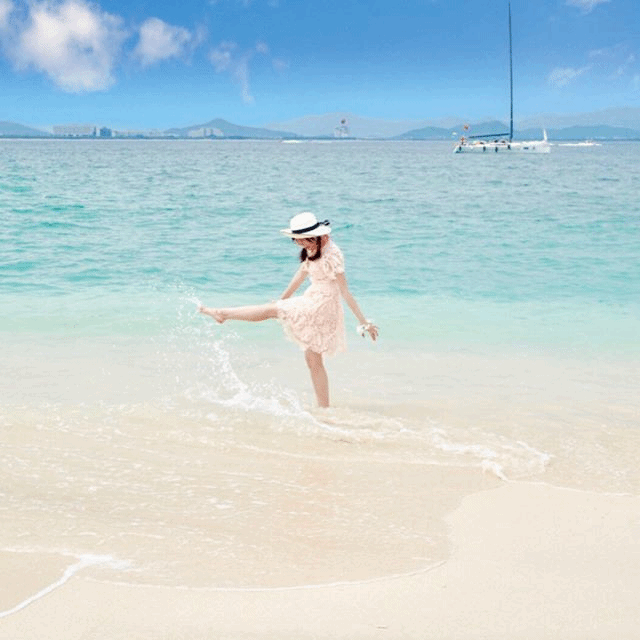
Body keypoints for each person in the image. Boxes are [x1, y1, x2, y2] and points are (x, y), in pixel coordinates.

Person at [199, 212, 378, 408]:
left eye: (300, 239)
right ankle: (324, 408)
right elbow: (300, 275)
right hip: (313, 298)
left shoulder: (332, 254)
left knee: (270, 311)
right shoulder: (311, 248)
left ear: (314, 236)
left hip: (323, 305)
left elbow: (345, 291)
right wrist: (283, 298)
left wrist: (364, 322)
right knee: (313, 360)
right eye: (295, 239)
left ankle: (223, 314)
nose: (298, 243)